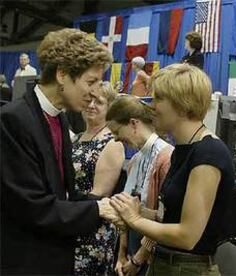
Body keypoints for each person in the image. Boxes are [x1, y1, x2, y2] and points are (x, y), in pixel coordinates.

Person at [1, 28, 119, 275]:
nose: (96, 93)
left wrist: (107, 203)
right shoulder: (14, 120)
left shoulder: (60, 119)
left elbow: (64, 194)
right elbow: (33, 207)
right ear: (63, 74)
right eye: (91, 82)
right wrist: (98, 209)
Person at [105, 64, 235, 275]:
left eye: (158, 99)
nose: (152, 107)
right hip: (166, 264)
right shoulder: (182, 151)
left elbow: (187, 236)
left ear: (182, 105)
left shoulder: (209, 154)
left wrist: (135, 220)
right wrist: (140, 211)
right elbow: (170, 216)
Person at [105, 95, 173, 276]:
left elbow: (163, 218)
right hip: (132, 253)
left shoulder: (166, 159)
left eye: (117, 131)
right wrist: (122, 253)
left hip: (151, 258)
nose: (116, 139)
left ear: (134, 124)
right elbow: (125, 212)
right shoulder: (135, 160)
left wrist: (139, 258)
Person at [72, 82, 125, 275]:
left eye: (99, 102)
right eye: (88, 99)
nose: (91, 105)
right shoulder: (75, 139)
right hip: (71, 221)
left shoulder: (112, 142)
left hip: (93, 230)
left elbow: (100, 194)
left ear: (110, 108)